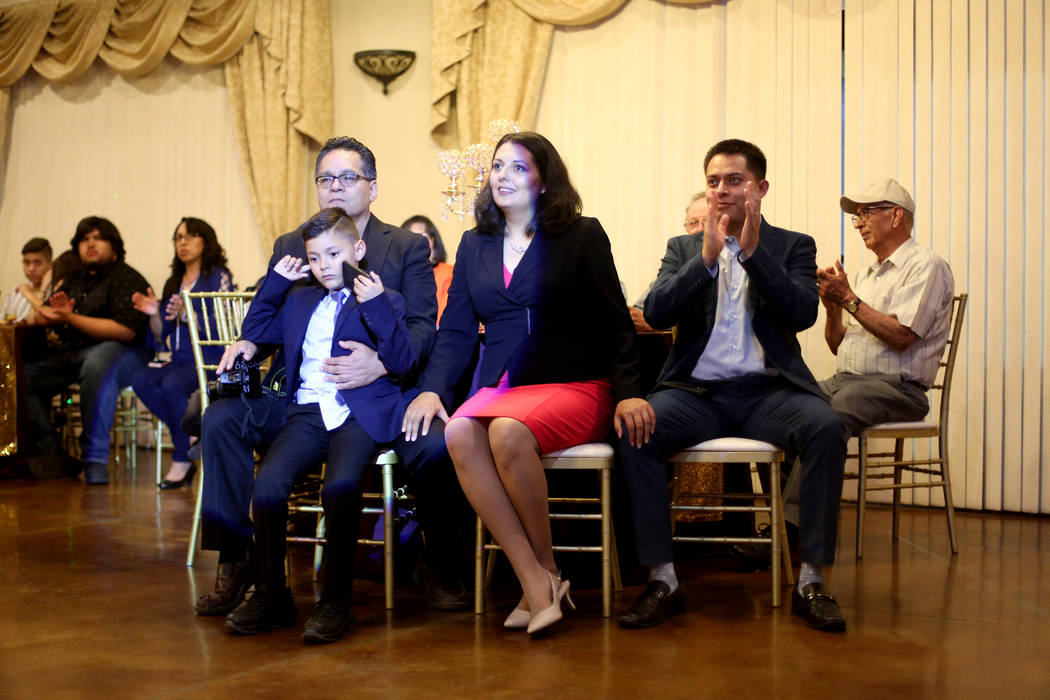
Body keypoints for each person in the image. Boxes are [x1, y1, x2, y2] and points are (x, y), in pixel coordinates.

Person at [194, 137, 464, 618]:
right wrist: (251, 342)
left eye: (348, 177)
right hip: (300, 393)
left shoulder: (402, 247)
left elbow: (424, 328)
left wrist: (381, 364)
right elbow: (275, 317)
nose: (334, 186)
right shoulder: (293, 244)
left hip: (378, 391)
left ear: (372, 187)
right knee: (220, 418)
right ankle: (240, 558)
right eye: (325, 178)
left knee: (436, 443)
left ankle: (439, 563)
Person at [402, 131, 654, 636]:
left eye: (519, 167)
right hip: (503, 385)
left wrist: (629, 390)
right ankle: (539, 580)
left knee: (506, 432)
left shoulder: (582, 235)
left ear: (544, 179)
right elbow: (454, 331)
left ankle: (541, 579)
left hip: (575, 382)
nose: (504, 176)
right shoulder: (475, 245)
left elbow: (613, 322)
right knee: (456, 433)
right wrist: (432, 387)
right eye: (498, 166)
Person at [616, 139, 848, 633]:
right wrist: (705, 257)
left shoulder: (793, 245)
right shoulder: (683, 247)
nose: (722, 190)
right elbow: (656, 312)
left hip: (768, 394)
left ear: (760, 188)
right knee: (638, 428)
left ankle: (810, 580)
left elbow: (803, 312)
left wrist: (753, 252)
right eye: (714, 181)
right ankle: (663, 579)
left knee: (827, 425)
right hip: (696, 393)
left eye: (734, 180)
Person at [222, 209, 414, 643]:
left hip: (357, 413)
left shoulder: (385, 298)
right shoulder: (300, 299)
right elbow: (253, 332)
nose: (324, 264)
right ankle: (272, 594)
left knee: (340, 487)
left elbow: (402, 360)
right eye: (315, 257)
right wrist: (276, 281)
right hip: (308, 413)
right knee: (267, 488)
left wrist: (377, 304)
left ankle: (335, 602)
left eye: (334, 253)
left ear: (358, 250)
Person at [22, 217, 150, 485]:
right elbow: (44, 314)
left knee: (98, 361)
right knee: (22, 376)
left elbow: (124, 331)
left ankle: (95, 460)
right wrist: (54, 313)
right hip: (75, 352)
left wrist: (69, 317)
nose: (89, 244)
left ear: (113, 245)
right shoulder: (74, 279)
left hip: (126, 355)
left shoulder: (128, 278)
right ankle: (50, 452)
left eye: (97, 238)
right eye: (84, 239)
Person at [128, 218, 234, 489]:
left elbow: (224, 325)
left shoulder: (218, 276)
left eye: (190, 236)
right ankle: (192, 434)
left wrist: (189, 315)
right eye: (178, 238)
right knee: (140, 378)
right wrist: (154, 312)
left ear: (205, 240)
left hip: (210, 358)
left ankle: (181, 458)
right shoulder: (173, 282)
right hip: (179, 359)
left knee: (172, 385)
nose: (182, 242)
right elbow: (162, 334)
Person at [629, 194, 708, 332]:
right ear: (686, 227)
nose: (700, 229)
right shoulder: (676, 260)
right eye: (694, 222)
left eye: (707, 221)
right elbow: (641, 313)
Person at [402, 215, 453, 323]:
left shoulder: (449, 273)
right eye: (410, 238)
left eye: (421, 237)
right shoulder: (397, 275)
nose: (416, 244)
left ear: (433, 241)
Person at [3, 238, 52, 324]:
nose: (31, 269)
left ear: (50, 265)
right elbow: (7, 322)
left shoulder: (54, 291)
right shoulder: (17, 291)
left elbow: (46, 316)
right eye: (26, 263)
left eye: (37, 263)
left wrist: (28, 294)